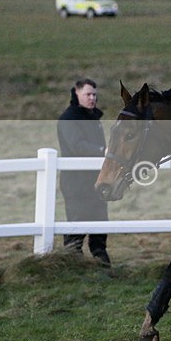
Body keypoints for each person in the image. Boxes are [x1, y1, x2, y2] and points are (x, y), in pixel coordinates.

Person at [57, 78, 111, 266]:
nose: (92, 98)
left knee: (100, 222)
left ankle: (103, 264)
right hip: (76, 182)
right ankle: (73, 264)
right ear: (77, 93)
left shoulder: (93, 118)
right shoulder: (69, 118)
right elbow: (77, 145)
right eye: (88, 94)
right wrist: (102, 152)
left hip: (96, 181)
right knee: (77, 224)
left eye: (94, 94)